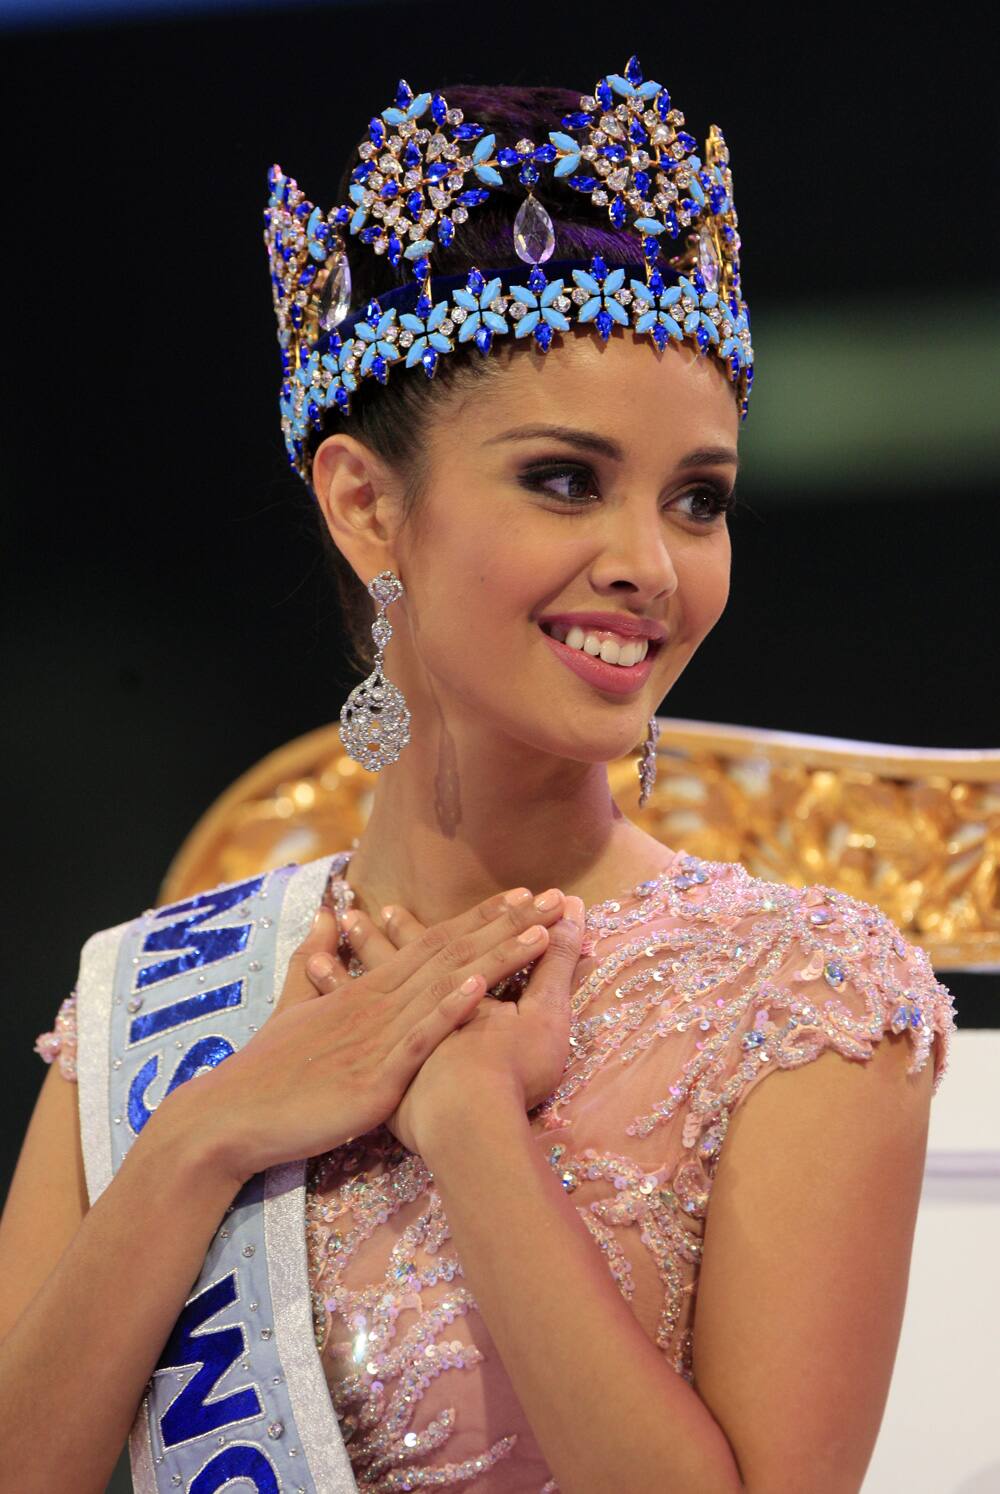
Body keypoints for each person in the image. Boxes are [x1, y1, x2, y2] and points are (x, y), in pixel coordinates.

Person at [1, 58, 956, 1494]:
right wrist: (210, 1128)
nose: (649, 560)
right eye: (568, 479)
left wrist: (471, 1136)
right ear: (367, 504)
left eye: (699, 497)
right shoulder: (164, 997)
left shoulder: (807, 998)